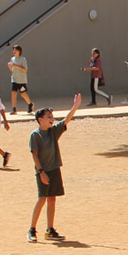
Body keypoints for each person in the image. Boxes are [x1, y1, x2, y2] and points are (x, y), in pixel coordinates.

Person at [27, 94, 82, 243]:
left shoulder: (53, 131)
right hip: (43, 171)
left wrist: (75, 106)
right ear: (40, 119)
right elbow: (35, 155)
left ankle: (50, 230)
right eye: (48, 117)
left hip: (54, 169)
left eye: (52, 116)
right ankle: (32, 229)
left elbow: (66, 120)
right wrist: (41, 173)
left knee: (52, 200)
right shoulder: (35, 135)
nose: (52, 119)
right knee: (42, 199)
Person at [8, 45, 33, 115]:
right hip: (14, 79)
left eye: (15, 50)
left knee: (23, 93)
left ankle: (30, 104)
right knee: (13, 93)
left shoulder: (23, 59)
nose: (14, 52)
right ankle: (14, 108)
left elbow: (25, 69)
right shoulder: (12, 59)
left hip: (21, 80)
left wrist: (16, 65)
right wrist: (10, 66)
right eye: (13, 50)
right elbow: (12, 70)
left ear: (19, 51)